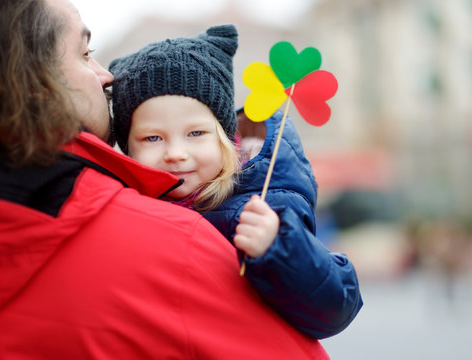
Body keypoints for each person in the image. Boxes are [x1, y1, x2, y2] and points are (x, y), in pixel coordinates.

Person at [0, 0, 332, 358]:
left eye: (195, 133)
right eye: (85, 53)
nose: (106, 76)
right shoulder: (175, 247)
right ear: (32, 84)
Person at [108, 25, 363, 339]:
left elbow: (335, 306)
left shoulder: (266, 204)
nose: (175, 153)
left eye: (196, 133)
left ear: (225, 138)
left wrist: (279, 247)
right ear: (129, 148)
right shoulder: (128, 212)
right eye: (152, 137)